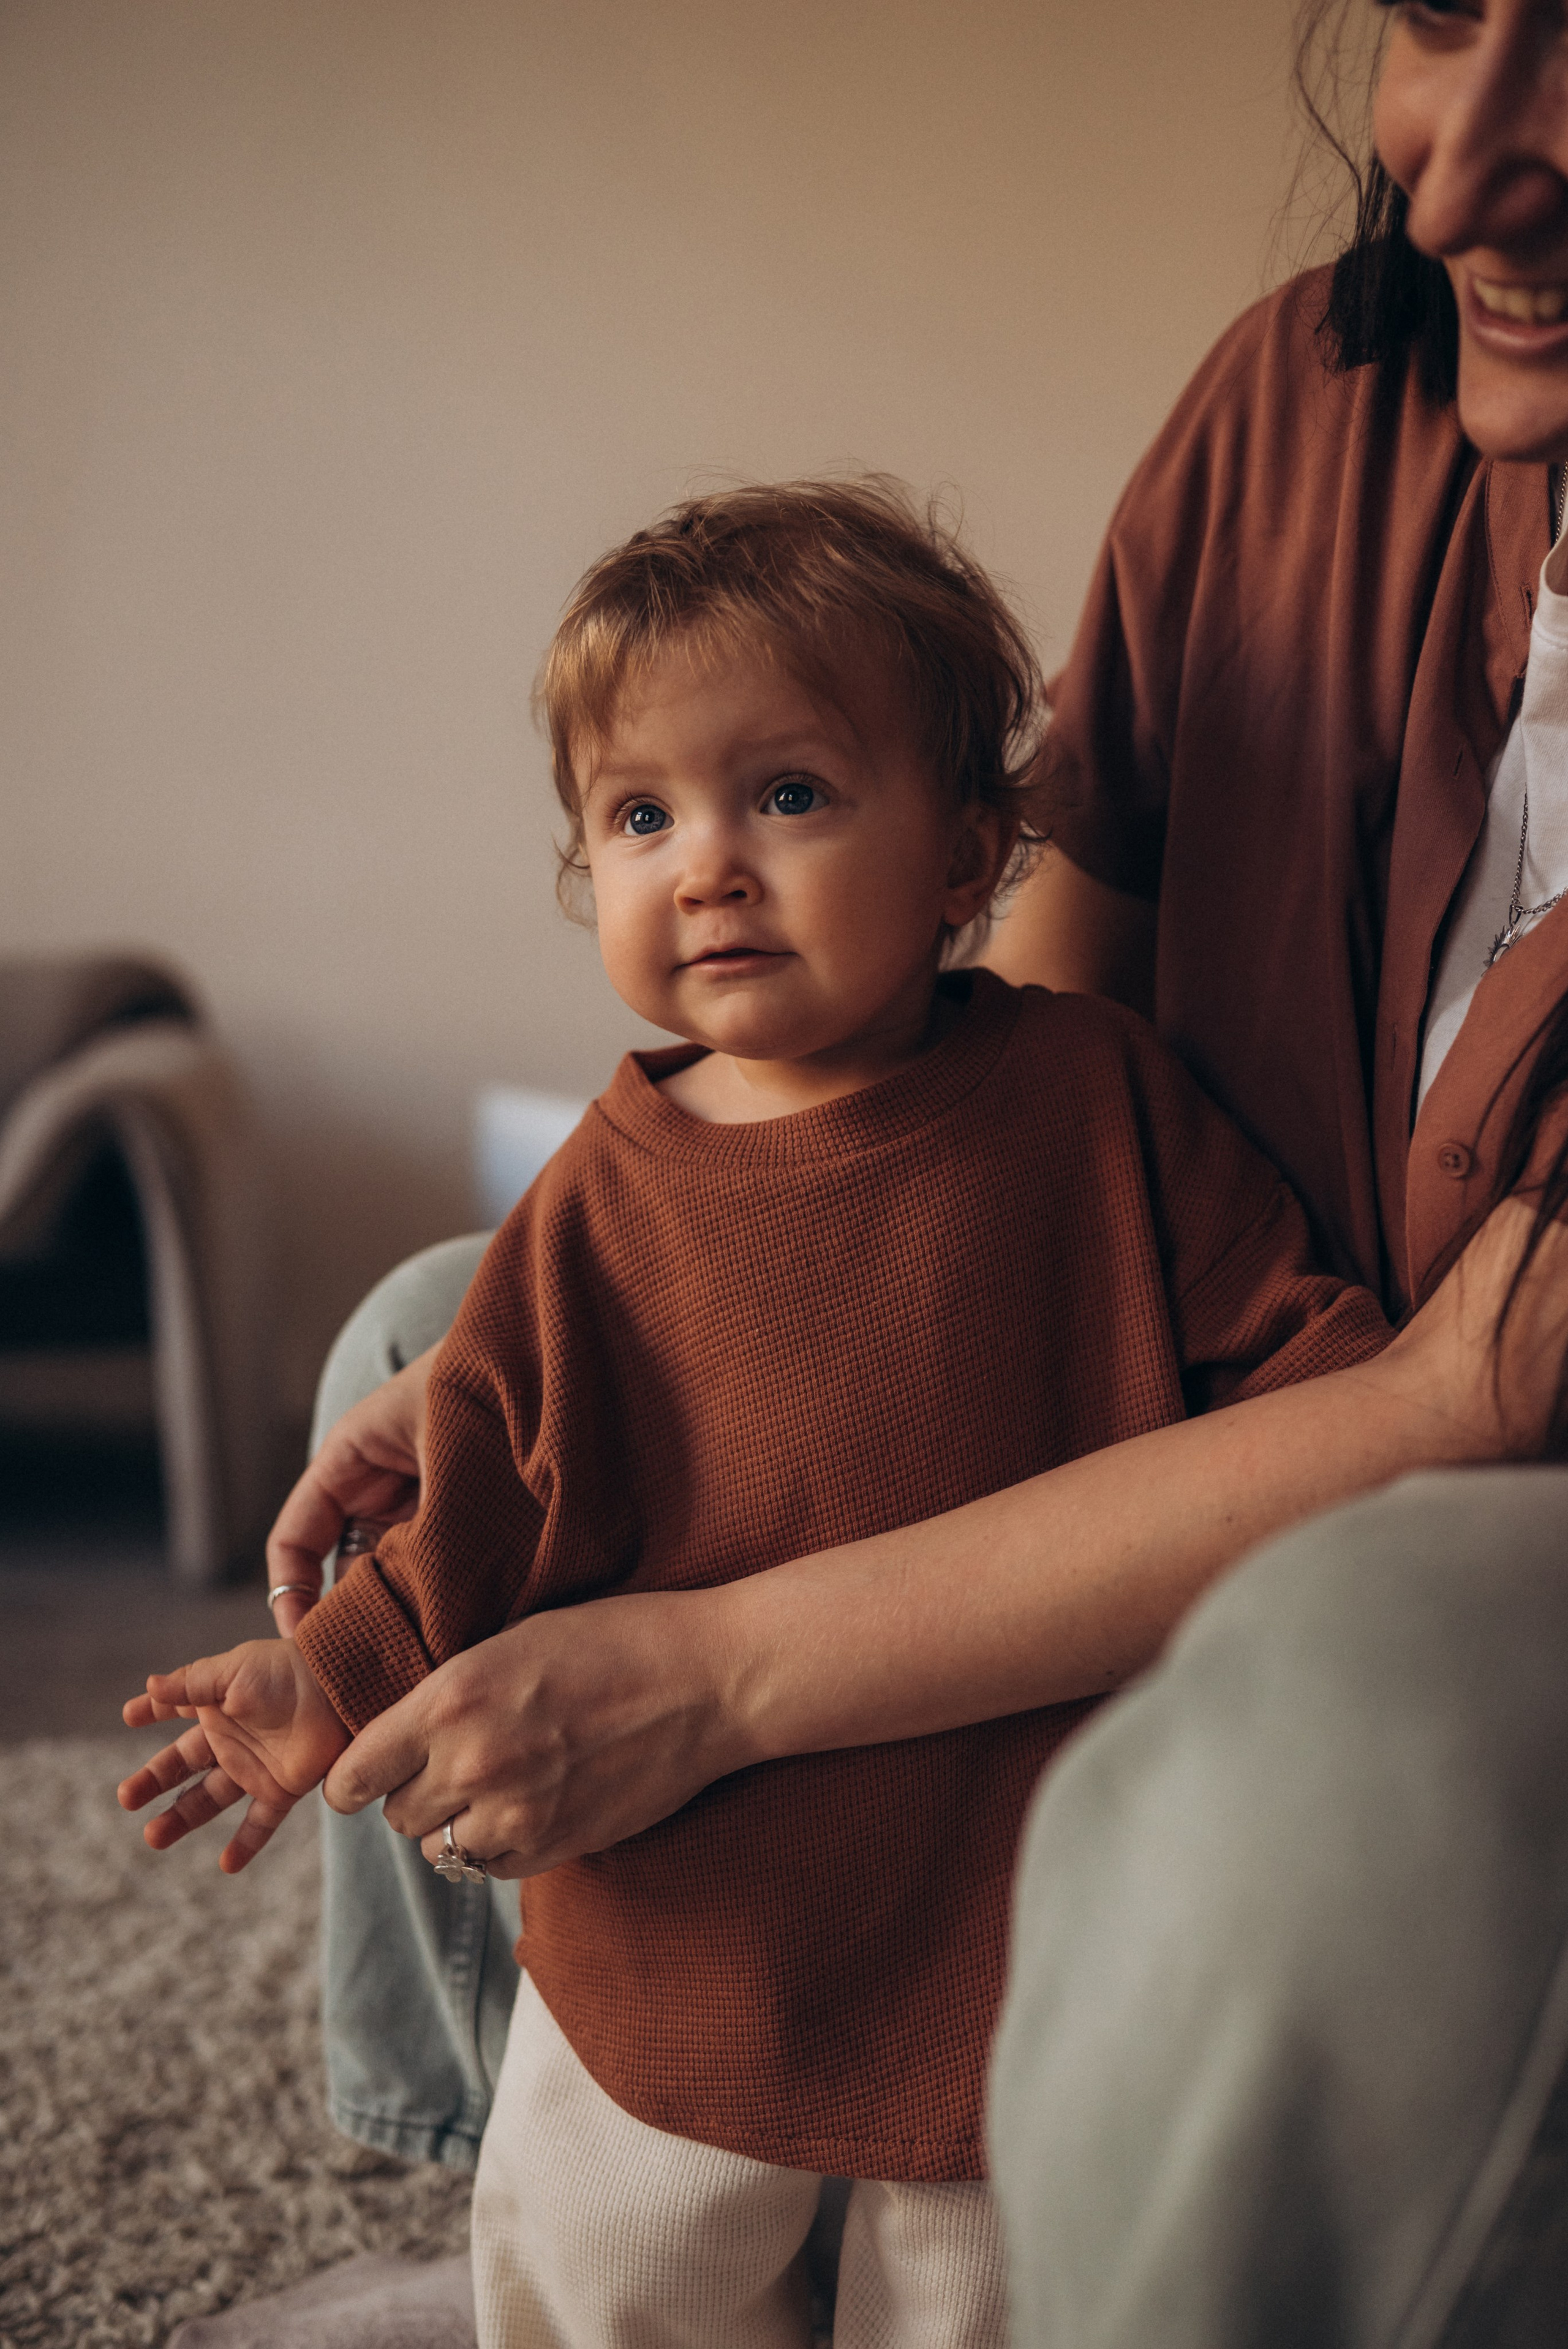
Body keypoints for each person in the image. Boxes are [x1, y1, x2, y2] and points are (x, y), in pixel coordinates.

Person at [247, 1, 1568, 2336]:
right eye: (1448, 12)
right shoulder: (1315, 395)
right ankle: (525, 2230)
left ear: (940, 830)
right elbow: (1004, 1039)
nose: (1458, 175)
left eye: (785, 800)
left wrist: (723, 1666)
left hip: (1389, 1432)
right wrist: (471, 1437)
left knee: (1328, 1690)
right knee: (414, 1335)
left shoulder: (1132, 1148)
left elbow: (1418, 1401)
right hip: (1234, 1351)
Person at [121, 480, 1392, 2349]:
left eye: (786, 793)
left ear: (968, 857)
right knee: (610, 2270)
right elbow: (485, 1474)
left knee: (978, 2299)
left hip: (997, 1907)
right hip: (684, 1923)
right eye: (641, 815)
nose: (706, 862)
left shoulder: (1098, 1101)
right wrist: (323, 1674)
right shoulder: (607, 1187)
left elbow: (1307, 1376)